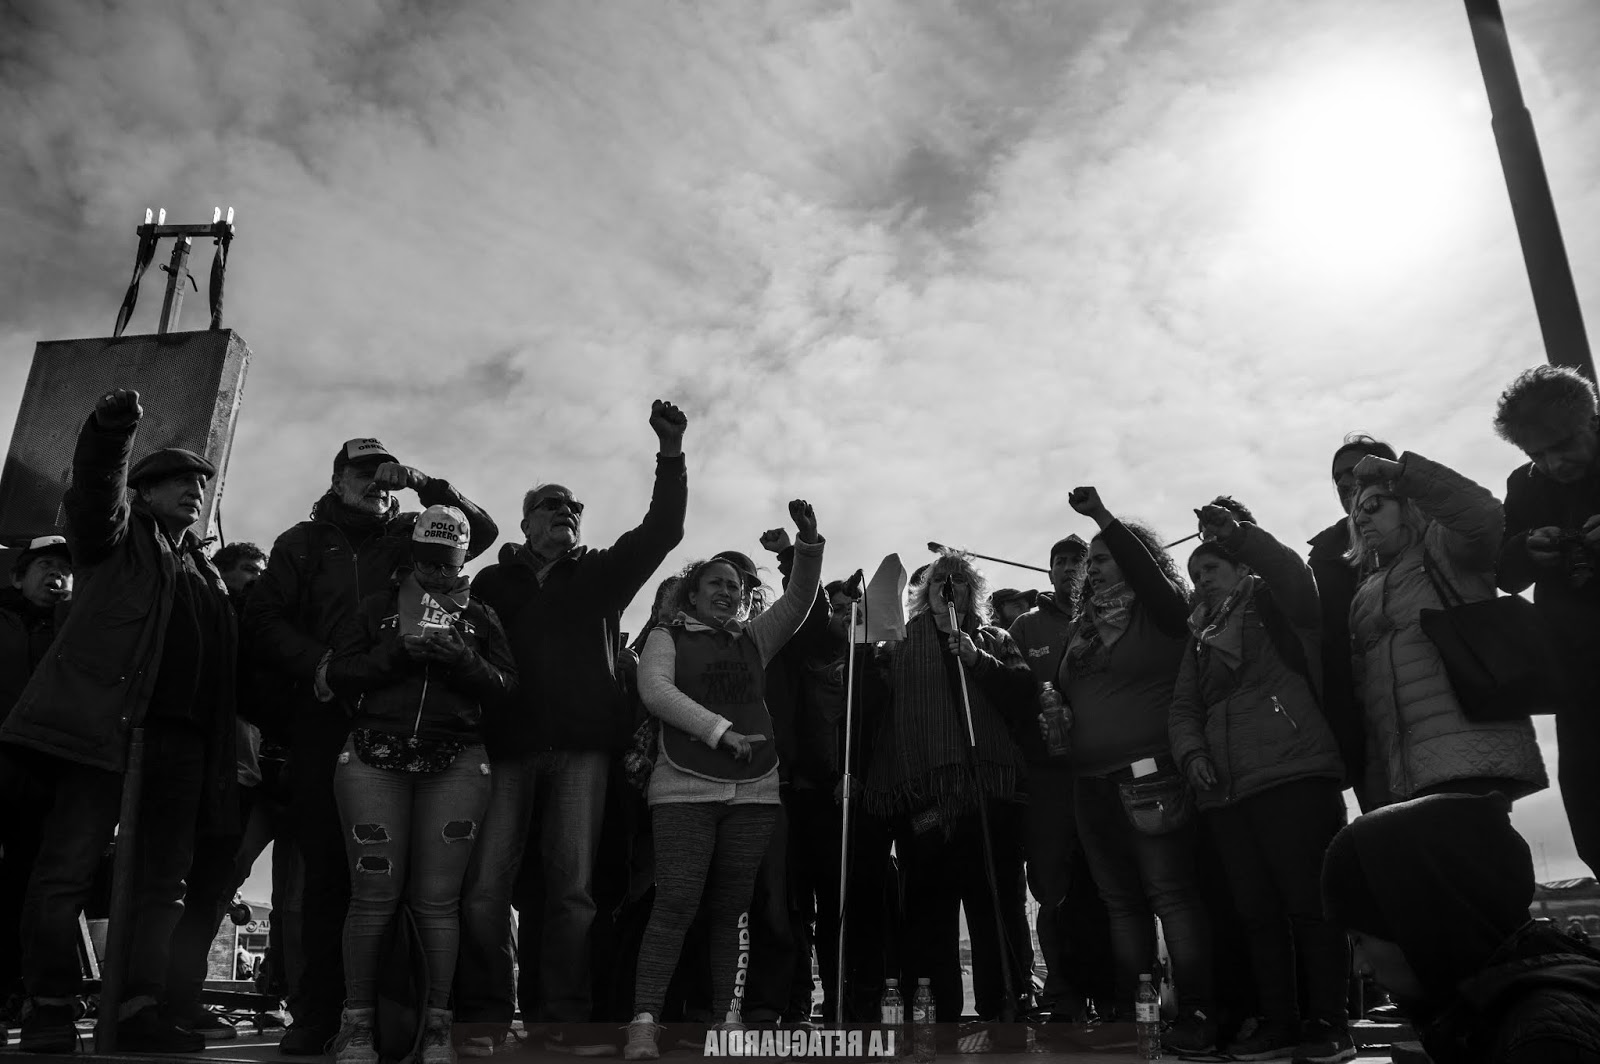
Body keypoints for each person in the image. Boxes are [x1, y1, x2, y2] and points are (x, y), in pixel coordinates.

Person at [0, 389, 239, 1054]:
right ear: (145, 491)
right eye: (178, 481)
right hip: (106, 733)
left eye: (200, 485)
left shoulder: (207, 574)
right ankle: (49, 1007)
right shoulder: (115, 539)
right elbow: (95, 488)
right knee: (66, 872)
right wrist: (111, 431)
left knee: (163, 887)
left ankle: (138, 1008)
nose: (194, 491)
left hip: (182, 747)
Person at [246, 437, 498, 1054]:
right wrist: (324, 666)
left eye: (383, 471)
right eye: (361, 471)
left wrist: (424, 482)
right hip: (324, 716)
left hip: (409, 723)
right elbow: (263, 619)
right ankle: (320, 1015)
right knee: (327, 874)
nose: (375, 481)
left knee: (418, 887)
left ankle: (400, 1015)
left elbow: (482, 532)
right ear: (337, 479)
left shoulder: (412, 531)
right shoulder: (301, 542)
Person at [463, 400, 686, 1054]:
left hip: (583, 754)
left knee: (572, 893)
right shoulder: (490, 584)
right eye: (552, 504)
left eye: (574, 506)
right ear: (526, 521)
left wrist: (670, 452)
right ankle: (483, 1018)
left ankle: (562, 1020)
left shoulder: (599, 575)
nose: (566, 511)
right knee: (485, 889)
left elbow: (663, 530)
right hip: (505, 750)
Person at [623, 500, 824, 1061]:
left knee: (732, 910)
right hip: (683, 788)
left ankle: (726, 1019)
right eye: (716, 583)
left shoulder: (754, 639)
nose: (728, 592)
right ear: (691, 595)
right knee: (676, 902)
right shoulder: (665, 636)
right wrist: (720, 731)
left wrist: (807, 545)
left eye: (735, 587)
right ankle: (645, 1021)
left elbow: (800, 600)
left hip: (755, 790)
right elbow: (656, 692)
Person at [325, 505, 517, 1064]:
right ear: (413, 554)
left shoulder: (480, 616)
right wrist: (393, 655)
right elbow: (337, 673)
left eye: (446, 562)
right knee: (372, 898)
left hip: (456, 761)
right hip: (373, 756)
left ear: (463, 560)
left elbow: (508, 688)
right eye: (427, 561)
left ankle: (437, 1029)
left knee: (437, 904)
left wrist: (462, 660)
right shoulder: (377, 606)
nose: (435, 572)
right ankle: (356, 1028)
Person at [1168, 504, 1354, 1062]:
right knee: (1257, 915)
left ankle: (1329, 1022)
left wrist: (1240, 536)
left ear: (1241, 567)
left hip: (1293, 770)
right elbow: (1184, 706)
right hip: (1227, 790)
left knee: (1310, 905)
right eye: (1195, 573)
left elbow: (1291, 572)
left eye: (1212, 568)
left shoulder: (1274, 601)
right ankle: (1279, 1023)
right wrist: (1192, 754)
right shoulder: (1198, 636)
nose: (1202, 579)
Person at [1055, 487, 1216, 1055]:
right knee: (1120, 902)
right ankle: (1134, 1016)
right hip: (1091, 782)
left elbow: (1151, 579)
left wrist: (1102, 518)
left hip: (1150, 775)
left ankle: (1197, 1012)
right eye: (1091, 561)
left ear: (1134, 557)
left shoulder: (1162, 611)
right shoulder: (1082, 626)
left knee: (1170, 895)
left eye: (1104, 557)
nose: (1093, 567)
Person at [857, 550, 1034, 1047]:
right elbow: (871, 705)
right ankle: (936, 1017)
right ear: (926, 590)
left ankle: (1004, 1008)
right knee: (928, 915)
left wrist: (977, 660)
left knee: (996, 908)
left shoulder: (993, 638)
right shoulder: (898, 643)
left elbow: (1023, 691)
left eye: (958, 579)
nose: (948, 586)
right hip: (923, 796)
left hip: (988, 795)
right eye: (940, 579)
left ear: (972, 592)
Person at [1322, 792, 1600, 1063]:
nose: (1359, 968)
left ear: (1420, 919)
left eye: (1360, 940)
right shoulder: (1490, 1014)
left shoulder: (1544, 1041)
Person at [1345, 451, 1547, 803]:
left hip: (1472, 754)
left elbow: (1483, 514)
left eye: (1373, 505)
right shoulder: (1363, 595)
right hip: (1406, 777)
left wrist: (1405, 473)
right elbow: (1367, 697)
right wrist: (1379, 784)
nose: (1362, 518)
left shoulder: (1444, 547)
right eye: (1357, 512)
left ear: (1408, 503)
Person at [163, 541, 275, 1040]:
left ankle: (182, 996)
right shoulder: (211, 616)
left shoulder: (266, 625)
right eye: (248, 569)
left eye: (261, 571)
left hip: (254, 773)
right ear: (222, 573)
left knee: (216, 887)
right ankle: (165, 997)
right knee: (188, 886)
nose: (257, 578)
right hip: (211, 770)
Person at [1492, 365, 1600, 879]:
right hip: (1580, 678)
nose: (1553, 464)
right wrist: (1526, 548)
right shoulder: (1524, 485)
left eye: (1563, 445)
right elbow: (1504, 572)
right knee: (1591, 813)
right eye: (1537, 455)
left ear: (1590, 420)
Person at [1006, 534, 1109, 1024]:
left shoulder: (1106, 612)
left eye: (1077, 560)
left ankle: (1115, 990)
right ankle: (1063, 992)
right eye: (1060, 561)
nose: (1069, 568)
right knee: (1051, 888)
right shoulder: (1025, 625)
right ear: (1048, 571)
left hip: (1102, 769)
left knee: (1111, 883)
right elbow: (1010, 691)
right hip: (1046, 779)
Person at [0, 536, 73, 1032]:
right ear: (17, 576)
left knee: (27, 889)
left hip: (45, 777)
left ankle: (15, 992)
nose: (57, 576)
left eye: (65, 571)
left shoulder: (75, 631)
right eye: (46, 565)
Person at [1308, 435, 1398, 812]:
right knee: (1390, 832)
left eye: (1355, 470)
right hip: (1364, 723)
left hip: (1435, 704)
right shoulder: (1325, 556)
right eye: (1337, 477)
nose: (1344, 482)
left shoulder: (1427, 529)